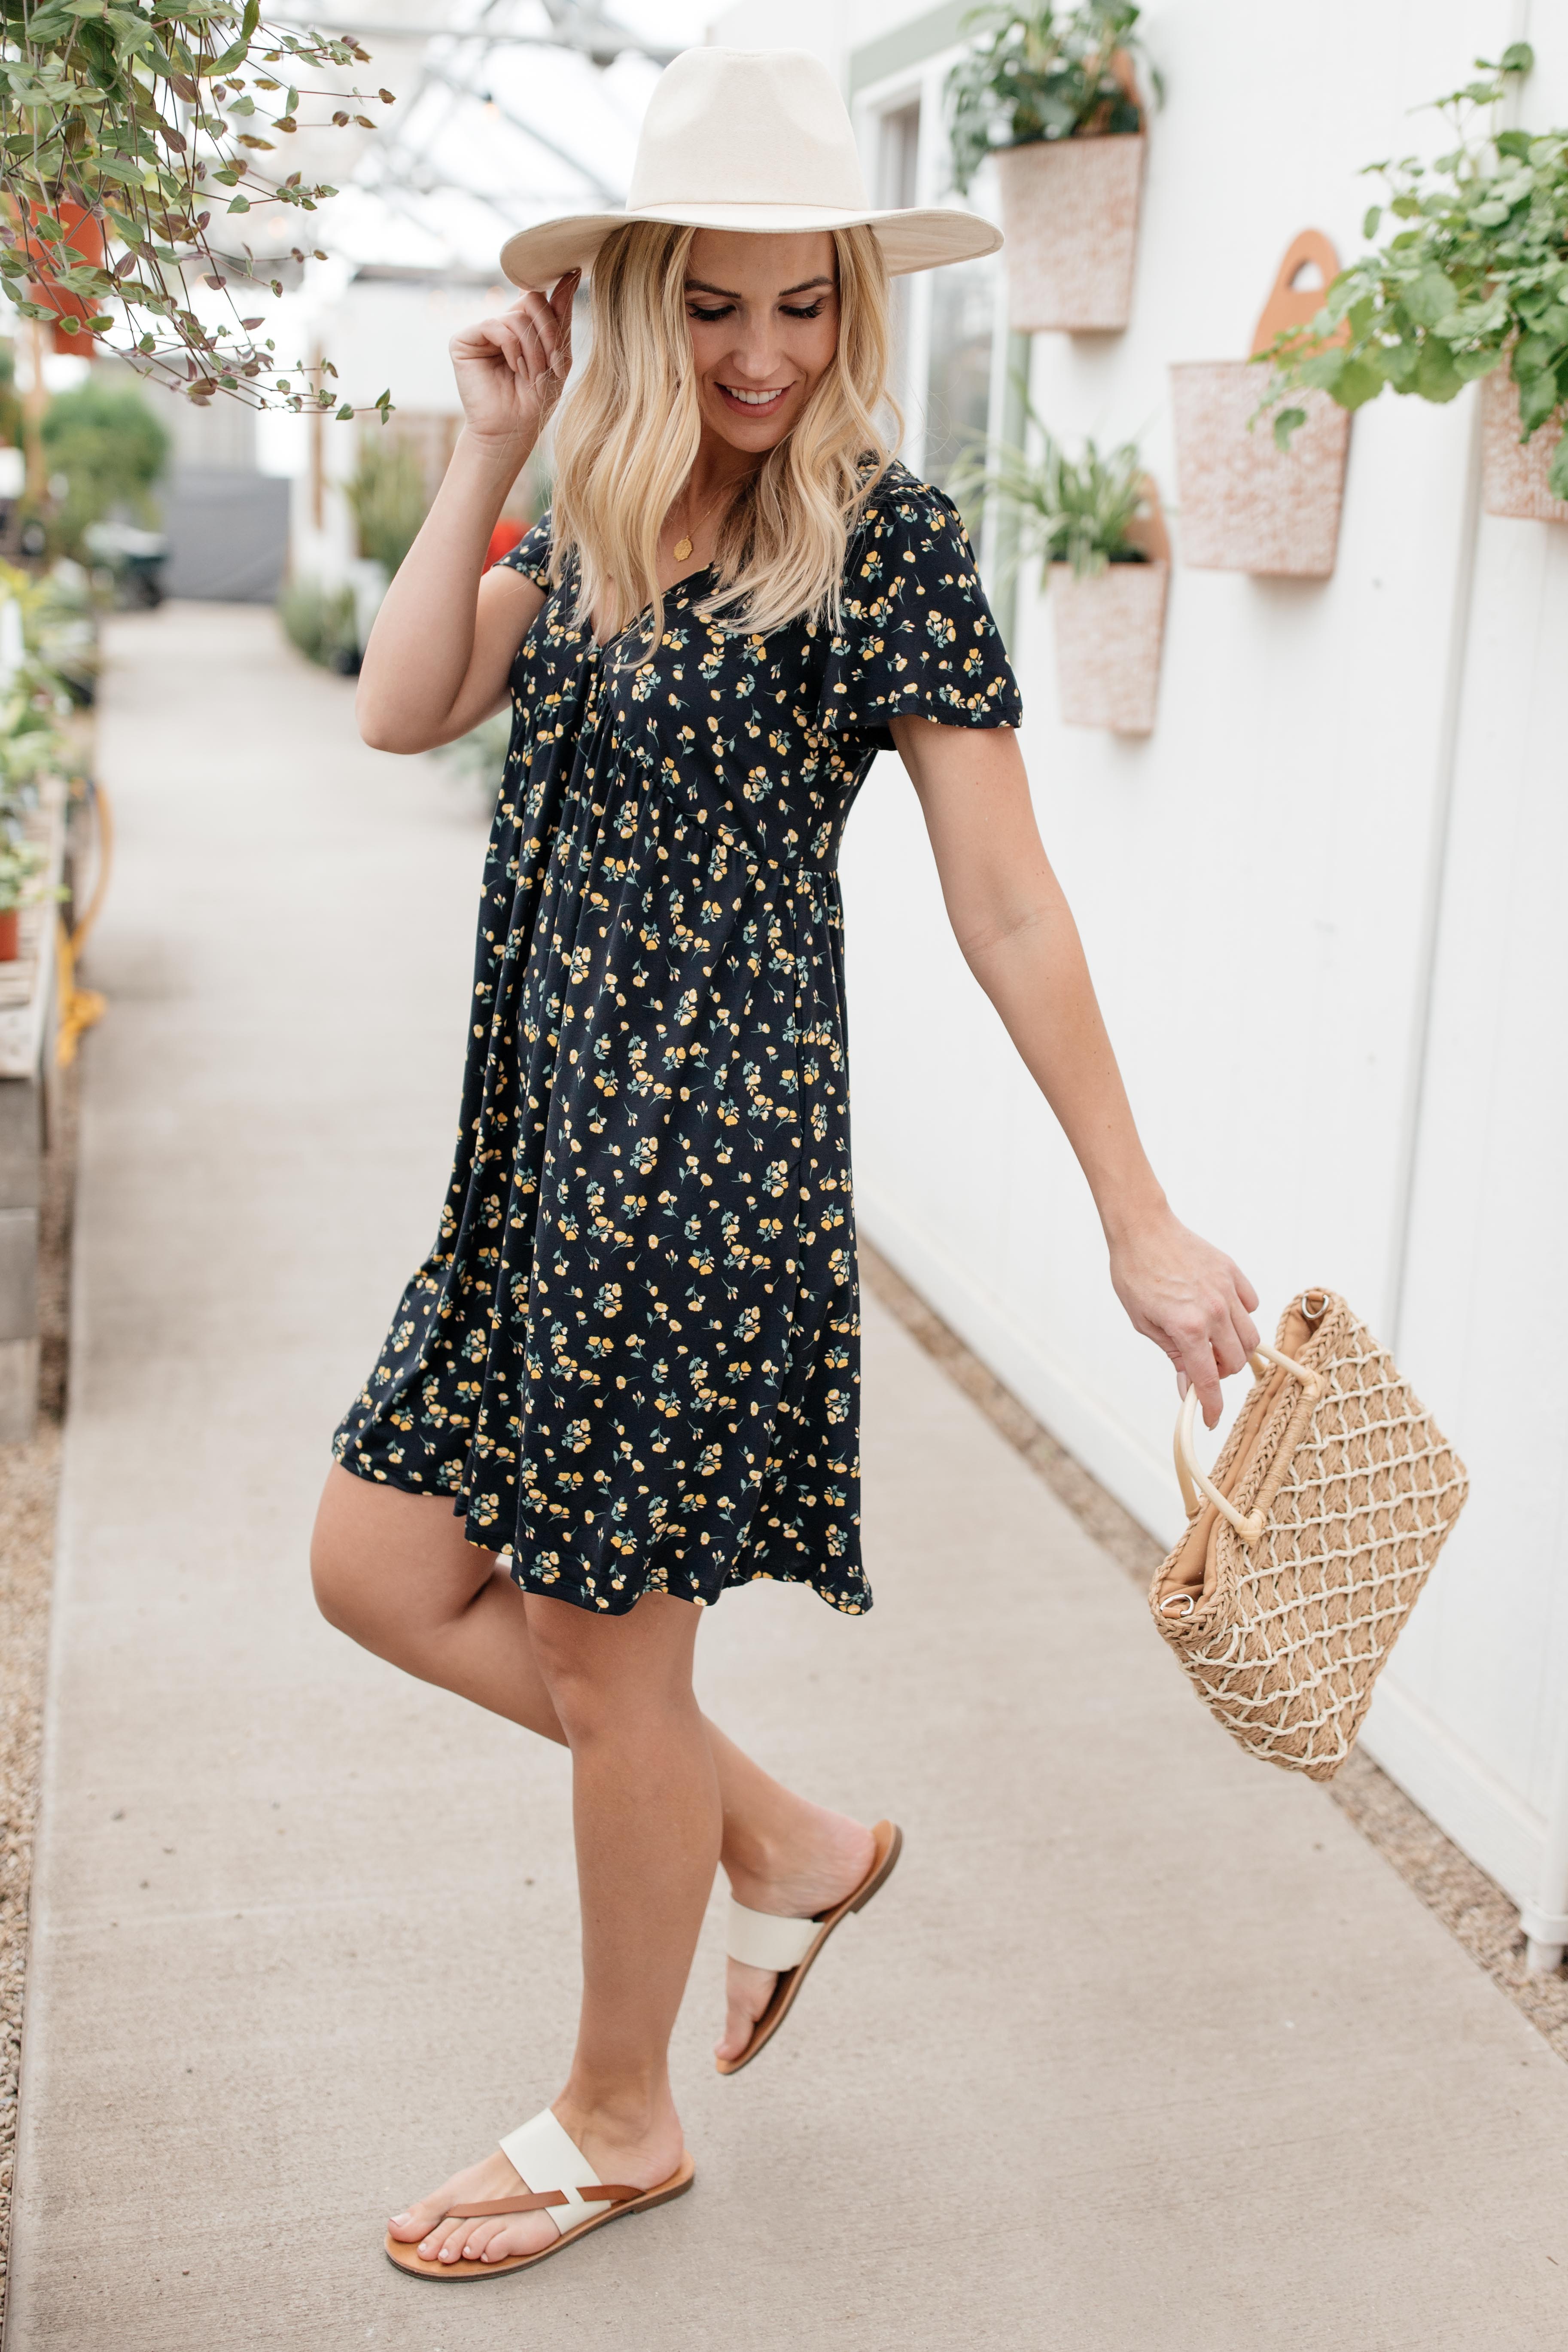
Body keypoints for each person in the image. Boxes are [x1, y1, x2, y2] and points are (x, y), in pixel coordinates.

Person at [309, 46, 1259, 2284]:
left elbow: (1006, 899)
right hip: (534, 1168)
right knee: (374, 1566)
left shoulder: (882, 534)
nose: (759, 357)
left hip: (697, 1184)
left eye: (804, 306)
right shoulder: (594, 496)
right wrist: (475, 446)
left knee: (602, 1654)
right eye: (718, 308)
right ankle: (790, 1841)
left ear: (855, 303)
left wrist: (1132, 1208)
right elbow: (397, 702)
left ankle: (622, 2109)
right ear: (643, 297)